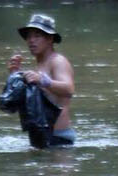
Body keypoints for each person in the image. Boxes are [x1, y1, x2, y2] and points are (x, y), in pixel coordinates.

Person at [5, 13, 76, 147]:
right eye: (29, 36)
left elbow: (69, 89)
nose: (31, 40)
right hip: (40, 136)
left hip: (59, 138)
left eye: (37, 36)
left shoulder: (58, 61)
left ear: (50, 39)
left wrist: (43, 80)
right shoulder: (40, 66)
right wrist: (15, 75)